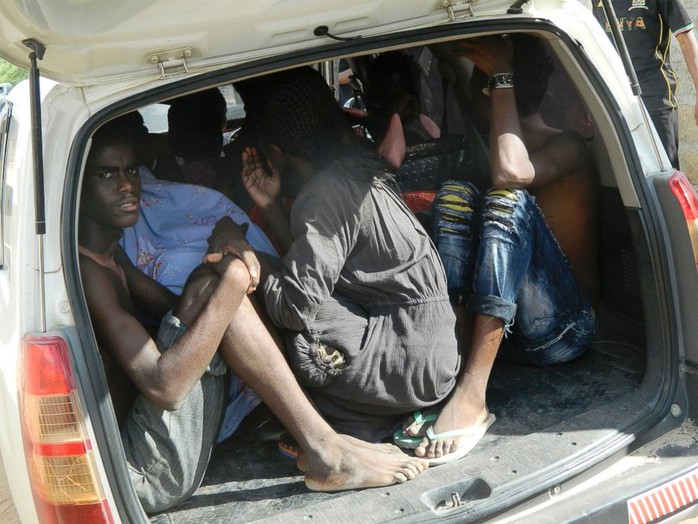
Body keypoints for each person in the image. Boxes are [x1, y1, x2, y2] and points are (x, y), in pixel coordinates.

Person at [78, 121, 428, 513]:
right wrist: (234, 276)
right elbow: (166, 388)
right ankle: (326, 451)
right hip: (150, 471)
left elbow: (171, 311)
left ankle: (322, 437)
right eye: (106, 174)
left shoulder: (112, 256)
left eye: (130, 170)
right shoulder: (88, 274)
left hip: (161, 443)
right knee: (217, 288)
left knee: (205, 284)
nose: (127, 185)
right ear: (75, 188)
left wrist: (223, 241)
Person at [397, 34, 600, 464]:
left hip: (562, 331)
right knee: (454, 193)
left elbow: (511, 173)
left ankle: (473, 395)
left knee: (507, 197)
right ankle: (449, 373)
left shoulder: (564, 145)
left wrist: (500, 74)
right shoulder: (490, 140)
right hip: (502, 339)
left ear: (495, 91)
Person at [237, 66, 462, 444]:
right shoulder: (358, 170)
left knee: (247, 278)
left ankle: (349, 418)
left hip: (407, 366)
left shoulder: (323, 194)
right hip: (433, 359)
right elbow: (321, 264)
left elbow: (295, 308)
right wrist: (272, 208)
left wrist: (243, 251)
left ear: (275, 152)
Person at [592, 0, 698, 169]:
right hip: (615, 96)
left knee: (664, 169)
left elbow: (686, 40)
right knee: (622, 171)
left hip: (655, 96)